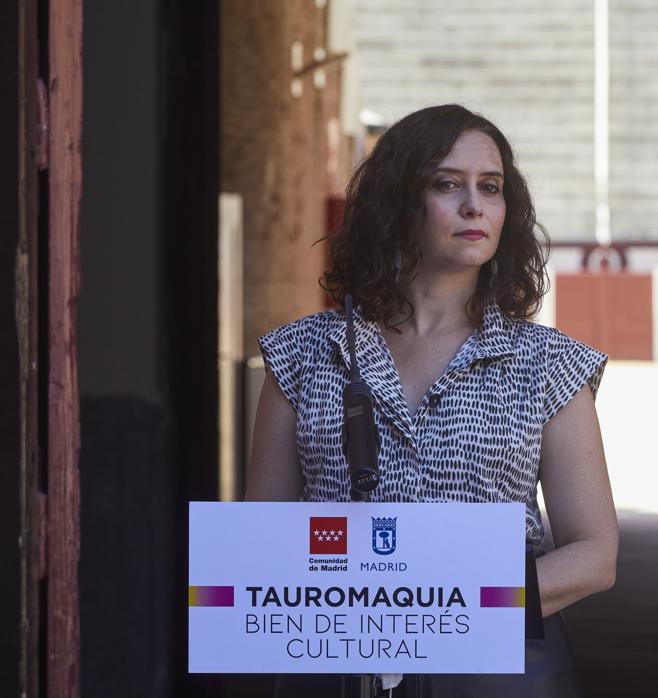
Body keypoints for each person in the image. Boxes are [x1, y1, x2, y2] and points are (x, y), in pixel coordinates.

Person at [246, 104, 617, 697]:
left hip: (496, 674)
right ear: (397, 202)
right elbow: (259, 544)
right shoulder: (300, 356)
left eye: (490, 188)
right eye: (448, 184)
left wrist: (442, 608)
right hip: (337, 672)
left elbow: (595, 554)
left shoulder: (550, 365)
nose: (474, 205)